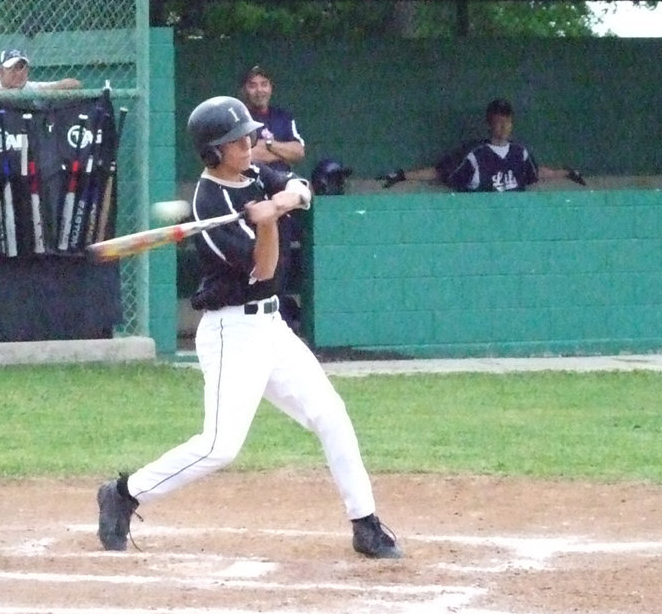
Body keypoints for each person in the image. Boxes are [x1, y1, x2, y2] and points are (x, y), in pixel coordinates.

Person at [95, 96, 401, 560]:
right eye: (239, 140)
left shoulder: (254, 173)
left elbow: (302, 185)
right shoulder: (209, 203)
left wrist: (282, 200)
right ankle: (124, 493)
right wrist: (269, 224)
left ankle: (365, 523)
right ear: (214, 151)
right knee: (220, 447)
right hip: (231, 333)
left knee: (331, 414)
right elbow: (264, 269)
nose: (251, 143)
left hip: (272, 327)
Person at [0, 47, 81, 242]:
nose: (19, 73)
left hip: (18, 180)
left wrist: (32, 94)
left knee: (21, 238)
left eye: (22, 67)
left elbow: (74, 84)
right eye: (12, 68)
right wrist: (3, 95)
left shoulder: (30, 89)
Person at [379, 98, 585, 192]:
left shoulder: (520, 153)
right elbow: (439, 172)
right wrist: (403, 175)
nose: (503, 126)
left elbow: (537, 173)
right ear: (490, 124)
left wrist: (566, 173)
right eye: (498, 121)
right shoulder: (475, 154)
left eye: (507, 121)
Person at [239, 65, 306, 326]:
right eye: (253, 85)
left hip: (281, 198)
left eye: (264, 84)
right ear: (245, 89)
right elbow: (249, 155)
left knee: (282, 261)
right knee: (253, 260)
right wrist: (278, 150)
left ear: (271, 87)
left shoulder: (282, 117)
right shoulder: (239, 116)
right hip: (251, 197)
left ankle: (278, 321)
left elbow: (298, 152)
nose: (259, 90)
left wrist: (267, 144)